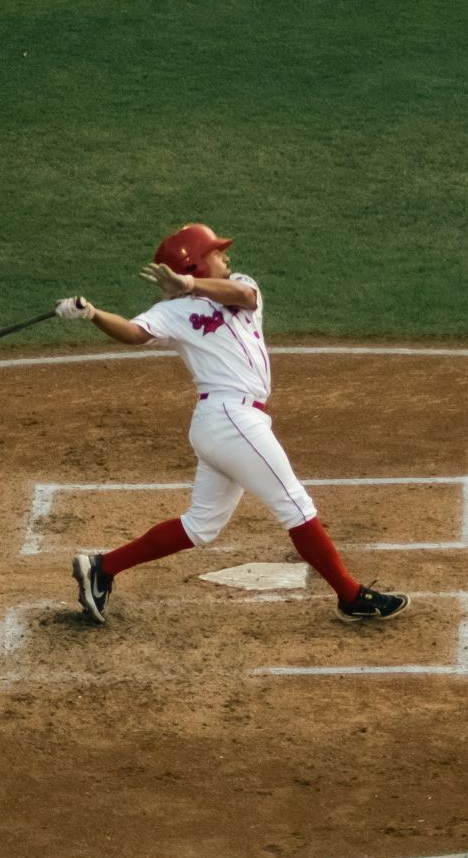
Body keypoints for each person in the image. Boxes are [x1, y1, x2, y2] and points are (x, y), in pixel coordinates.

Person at [54, 223, 410, 624]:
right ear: (195, 262)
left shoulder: (239, 285)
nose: (227, 256)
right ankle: (350, 596)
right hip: (229, 419)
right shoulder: (171, 313)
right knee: (295, 505)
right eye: (217, 252)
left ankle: (102, 567)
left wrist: (190, 285)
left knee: (201, 526)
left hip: (229, 422)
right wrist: (93, 314)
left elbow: (244, 296)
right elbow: (134, 333)